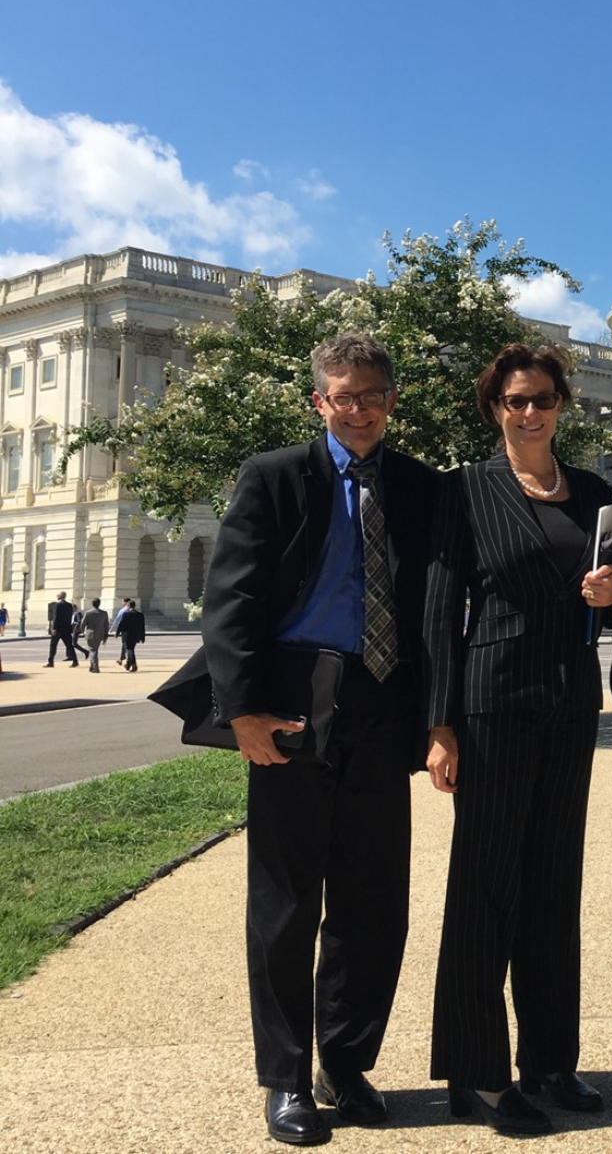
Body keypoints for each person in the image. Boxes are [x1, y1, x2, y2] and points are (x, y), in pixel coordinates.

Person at [199, 332, 439, 1146]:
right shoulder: (274, 476)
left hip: (383, 704)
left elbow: (437, 612)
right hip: (293, 701)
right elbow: (228, 600)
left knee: (374, 903)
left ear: (391, 399)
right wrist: (242, 713)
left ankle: (347, 1061)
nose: (358, 408)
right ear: (319, 402)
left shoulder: (417, 487)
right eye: (343, 395)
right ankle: (287, 1078)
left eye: (372, 394)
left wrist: (439, 720)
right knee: (285, 902)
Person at [423, 344, 612, 1137]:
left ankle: (551, 1059)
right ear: (495, 408)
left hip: (570, 699)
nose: (530, 411)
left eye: (542, 398)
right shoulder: (466, 491)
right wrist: (439, 726)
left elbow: (606, 599)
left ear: (561, 404)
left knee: (553, 885)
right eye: (515, 400)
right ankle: (477, 1074)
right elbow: (440, 611)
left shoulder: (593, 494)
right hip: (490, 702)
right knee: (485, 887)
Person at [45, 592, 79, 667]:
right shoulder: (69, 605)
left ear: (60, 596)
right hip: (66, 628)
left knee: (53, 645)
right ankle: (75, 661)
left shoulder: (57, 605)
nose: (57, 596)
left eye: (58, 595)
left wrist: (54, 628)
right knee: (69, 646)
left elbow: (56, 617)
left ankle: (51, 662)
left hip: (58, 629)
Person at [82, 597, 111, 673]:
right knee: (94, 650)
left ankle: (95, 667)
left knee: (92, 650)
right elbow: (106, 625)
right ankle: (92, 666)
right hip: (100, 633)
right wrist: (106, 634)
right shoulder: (104, 613)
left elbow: (83, 623)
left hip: (90, 633)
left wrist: (81, 631)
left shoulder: (88, 613)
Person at [118, 599, 145, 671]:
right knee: (131, 649)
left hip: (127, 635)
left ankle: (134, 665)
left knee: (129, 650)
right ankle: (128, 665)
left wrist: (117, 633)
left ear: (129, 606)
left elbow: (121, 624)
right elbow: (142, 627)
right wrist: (142, 637)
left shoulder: (126, 614)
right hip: (136, 635)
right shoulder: (140, 615)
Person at [111, 597, 132, 664]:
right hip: (132, 631)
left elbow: (118, 620)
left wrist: (113, 629)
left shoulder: (123, 611)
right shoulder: (132, 611)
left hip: (125, 630)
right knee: (126, 646)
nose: (122, 603)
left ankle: (128, 661)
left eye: (122, 602)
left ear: (125, 602)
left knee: (126, 646)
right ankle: (121, 658)